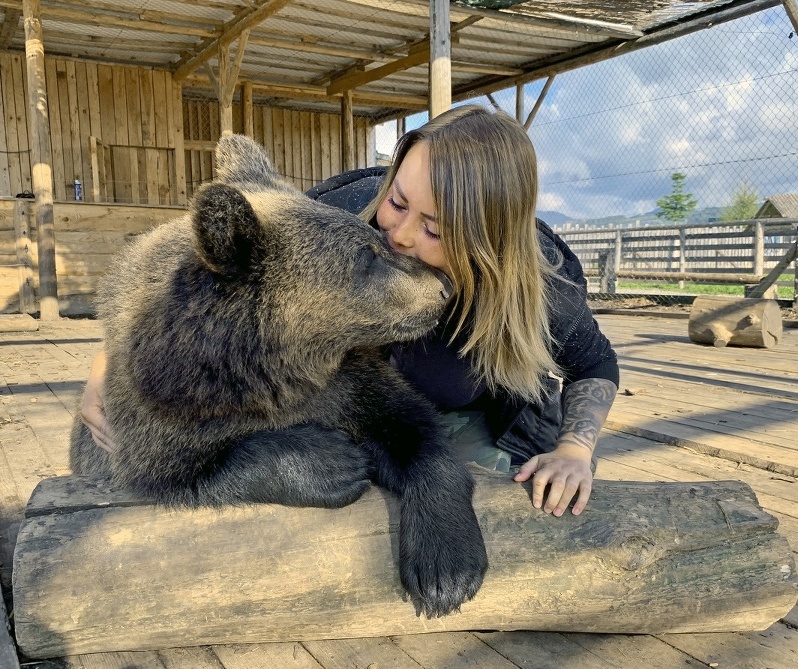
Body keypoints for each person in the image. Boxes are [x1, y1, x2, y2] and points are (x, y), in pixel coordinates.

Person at [80, 104, 619, 517]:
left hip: (453, 420)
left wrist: (574, 448)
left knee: (500, 493)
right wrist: (113, 361)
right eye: (399, 201)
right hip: (352, 404)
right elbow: (214, 277)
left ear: (488, 240)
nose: (399, 236)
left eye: (434, 228)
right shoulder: (345, 216)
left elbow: (595, 365)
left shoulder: (539, 283)